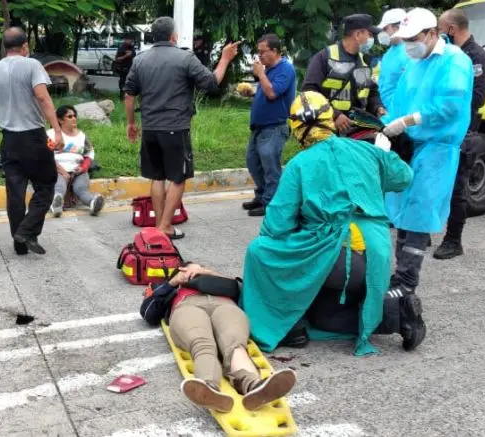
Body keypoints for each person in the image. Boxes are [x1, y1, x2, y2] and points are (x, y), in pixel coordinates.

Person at [240, 91, 425, 357]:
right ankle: (399, 314)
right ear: (330, 120)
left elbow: (276, 226)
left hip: (336, 258)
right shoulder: (365, 149)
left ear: (295, 129)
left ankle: (288, 326)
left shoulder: (299, 164)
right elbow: (404, 177)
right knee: (323, 318)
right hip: (377, 257)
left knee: (259, 252)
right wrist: (377, 168)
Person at [379, 8, 474, 296]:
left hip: (437, 147)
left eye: (414, 38)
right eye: (405, 38)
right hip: (410, 145)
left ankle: (407, 282)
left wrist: (411, 120)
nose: (408, 44)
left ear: (433, 33)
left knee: (419, 211)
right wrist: (387, 130)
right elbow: (400, 100)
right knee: (401, 210)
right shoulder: (415, 61)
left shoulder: (455, 61)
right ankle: (399, 276)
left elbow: (451, 106)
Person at [124, 17, 240, 240]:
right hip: (175, 129)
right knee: (178, 178)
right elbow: (212, 83)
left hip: (150, 129)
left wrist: (131, 123)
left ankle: (160, 224)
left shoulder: (140, 60)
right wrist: (225, 58)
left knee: (157, 177)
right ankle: (165, 227)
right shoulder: (185, 58)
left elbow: (129, 95)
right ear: (173, 36)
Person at [140, 261, 297, 412]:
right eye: (191, 269)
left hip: (225, 305)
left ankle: (254, 386)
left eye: (201, 268)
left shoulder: (222, 282)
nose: (198, 271)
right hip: (187, 305)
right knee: (202, 344)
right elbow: (148, 313)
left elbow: (249, 293)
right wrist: (173, 282)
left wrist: (212, 274)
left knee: (235, 344)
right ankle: (209, 388)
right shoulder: (170, 286)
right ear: (180, 270)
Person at [0, 27, 64, 256]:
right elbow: (42, 96)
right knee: (46, 186)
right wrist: (57, 130)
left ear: (5, 47)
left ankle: (19, 244)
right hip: (34, 138)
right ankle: (26, 232)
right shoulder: (32, 65)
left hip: (9, 141)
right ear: (25, 45)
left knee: (15, 192)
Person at [433, 8, 485, 260]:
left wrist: (449, 103)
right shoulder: (446, 55)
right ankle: (422, 230)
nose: (437, 34)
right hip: (442, 129)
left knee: (457, 187)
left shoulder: (475, 57)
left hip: (462, 131)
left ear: (451, 30)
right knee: (433, 181)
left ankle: (453, 240)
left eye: (439, 29)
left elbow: (478, 97)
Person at [241, 34, 297, 217]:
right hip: (259, 126)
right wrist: (252, 92)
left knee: (270, 164)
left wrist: (261, 75)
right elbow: (265, 91)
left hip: (274, 126)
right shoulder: (269, 69)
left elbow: (272, 92)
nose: (260, 57)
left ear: (274, 51)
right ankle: (262, 195)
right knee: (253, 162)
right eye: (258, 53)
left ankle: (271, 202)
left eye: (263, 52)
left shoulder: (285, 69)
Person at [302, 13, 385, 133]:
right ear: (357, 35)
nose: (370, 39)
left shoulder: (364, 61)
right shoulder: (325, 57)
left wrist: (378, 107)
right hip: (328, 129)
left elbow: (371, 92)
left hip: (358, 129)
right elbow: (309, 92)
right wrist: (335, 114)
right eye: (369, 34)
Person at [46, 105, 105, 217]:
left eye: (74, 116)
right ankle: (56, 204)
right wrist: (62, 172)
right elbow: (46, 156)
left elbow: (88, 154)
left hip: (78, 171)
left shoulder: (82, 136)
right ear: (60, 120)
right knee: (60, 187)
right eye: (69, 116)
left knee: (81, 189)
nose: (74, 118)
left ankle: (93, 203)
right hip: (57, 169)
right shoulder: (50, 135)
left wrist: (83, 168)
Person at [373, 8, 410, 112]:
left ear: (398, 27)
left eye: (385, 29)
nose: (382, 33)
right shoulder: (388, 53)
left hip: (401, 114)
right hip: (385, 112)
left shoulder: (411, 52)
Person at [114, 35, 136, 100]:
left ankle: (129, 98)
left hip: (131, 69)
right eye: (129, 39)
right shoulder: (121, 48)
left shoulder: (132, 48)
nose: (131, 41)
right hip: (123, 69)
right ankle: (122, 99)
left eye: (131, 39)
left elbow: (134, 56)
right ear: (125, 40)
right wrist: (126, 56)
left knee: (131, 84)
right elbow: (117, 59)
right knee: (123, 84)